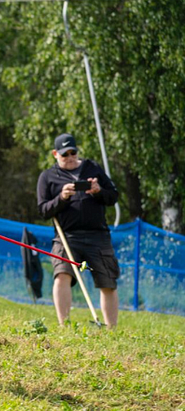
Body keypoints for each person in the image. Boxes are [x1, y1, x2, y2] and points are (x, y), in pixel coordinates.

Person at [37, 133, 121, 328]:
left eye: (73, 152)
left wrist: (98, 191)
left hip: (98, 235)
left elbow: (113, 197)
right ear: (55, 154)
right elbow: (43, 210)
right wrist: (62, 197)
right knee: (62, 275)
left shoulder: (93, 168)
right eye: (65, 154)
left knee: (108, 281)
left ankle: (112, 329)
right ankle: (64, 326)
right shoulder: (48, 177)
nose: (70, 157)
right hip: (66, 236)